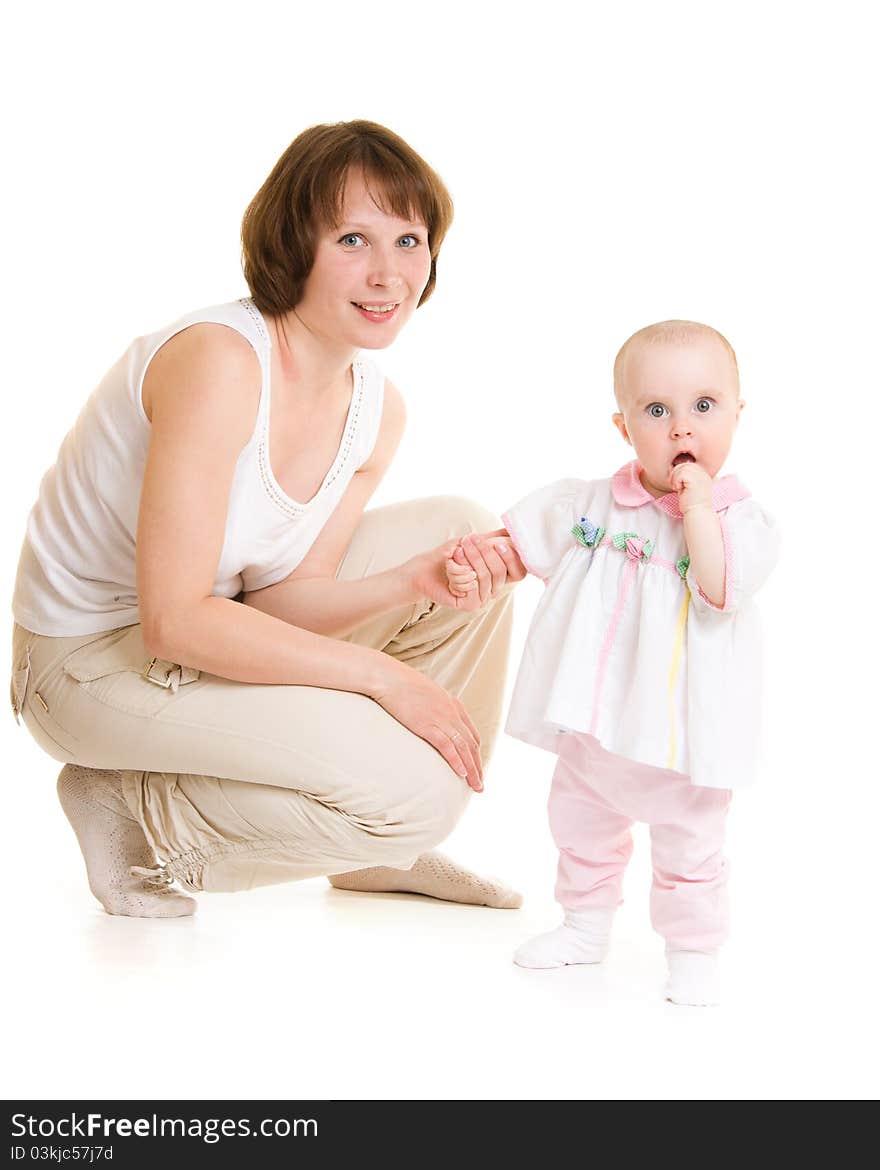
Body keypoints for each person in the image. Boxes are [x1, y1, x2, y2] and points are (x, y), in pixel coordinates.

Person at [10, 119, 526, 919]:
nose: (389, 274)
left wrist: (410, 582)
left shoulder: (376, 408)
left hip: (200, 637)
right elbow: (175, 622)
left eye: (410, 240)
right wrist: (388, 681)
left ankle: (369, 845)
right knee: (417, 797)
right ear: (294, 245)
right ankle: (135, 807)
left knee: (459, 533)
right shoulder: (220, 362)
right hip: (87, 667)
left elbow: (283, 600)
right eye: (354, 238)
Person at [446, 320, 780, 1004]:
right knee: (580, 824)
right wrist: (479, 560)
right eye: (657, 411)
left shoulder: (742, 525)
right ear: (625, 427)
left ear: (738, 415)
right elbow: (520, 543)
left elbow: (717, 591)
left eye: (704, 407)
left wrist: (698, 509)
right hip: (596, 732)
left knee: (690, 852)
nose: (682, 429)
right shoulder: (592, 503)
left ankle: (693, 953)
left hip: (681, 745)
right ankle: (584, 927)